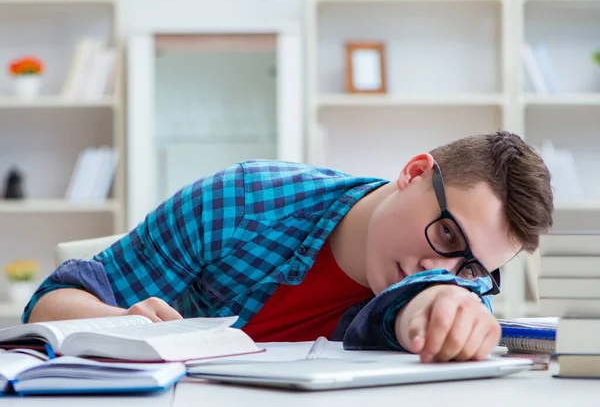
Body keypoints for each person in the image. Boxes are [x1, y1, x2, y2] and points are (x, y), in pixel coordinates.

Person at [23, 131, 553, 363]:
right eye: (446, 234)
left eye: (470, 268)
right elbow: (50, 302)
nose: (433, 269)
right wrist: (124, 320)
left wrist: (445, 308)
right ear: (414, 174)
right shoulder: (242, 201)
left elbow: (431, 303)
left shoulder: (458, 293)